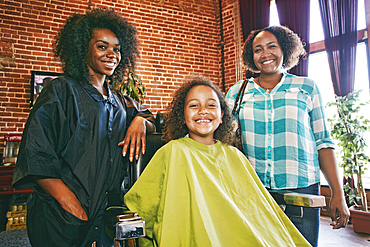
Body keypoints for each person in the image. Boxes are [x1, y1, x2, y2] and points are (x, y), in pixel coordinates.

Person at [12, 8, 155, 247]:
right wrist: (72, 208)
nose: (112, 54)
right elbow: (37, 156)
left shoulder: (120, 100)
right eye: (102, 46)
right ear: (83, 49)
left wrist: (140, 120)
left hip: (103, 216)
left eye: (117, 49)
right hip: (61, 218)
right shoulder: (60, 91)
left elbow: (150, 116)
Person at [124, 76, 311, 247]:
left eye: (211, 105)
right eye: (194, 105)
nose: (203, 111)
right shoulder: (173, 152)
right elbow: (140, 208)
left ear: (222, 116)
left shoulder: (235, 156)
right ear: (183, 116)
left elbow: (257, 210)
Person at [225, 25, 350, 247]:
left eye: (271, 46)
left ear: (285, 49)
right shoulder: (236, 92)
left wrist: (337, 193)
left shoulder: (307, 88)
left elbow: (323, 142)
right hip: (253, 190)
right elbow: (223, 143)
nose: (265, 54)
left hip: (301, 190)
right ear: (250, 56)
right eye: (258, 50)